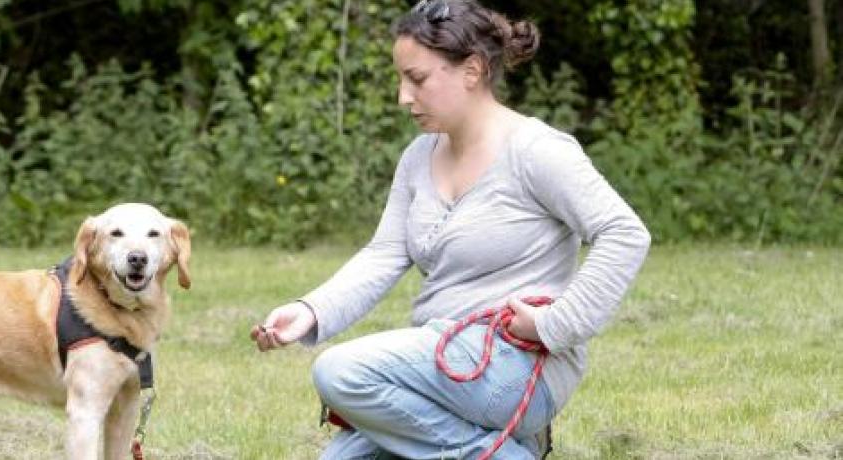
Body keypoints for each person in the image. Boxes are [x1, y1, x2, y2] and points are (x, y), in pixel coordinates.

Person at [248, 0, 652, 458]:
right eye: (401, 80)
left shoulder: (538, 151)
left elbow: (625, 233)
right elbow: (384, 254)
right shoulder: (418, 157)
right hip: (441, 361)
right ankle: (496, 448)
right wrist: (311, 310)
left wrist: (554, 325)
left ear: (472, 70)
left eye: (417, 79)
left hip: (519, 366)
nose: (403, 96)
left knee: (339, 373)